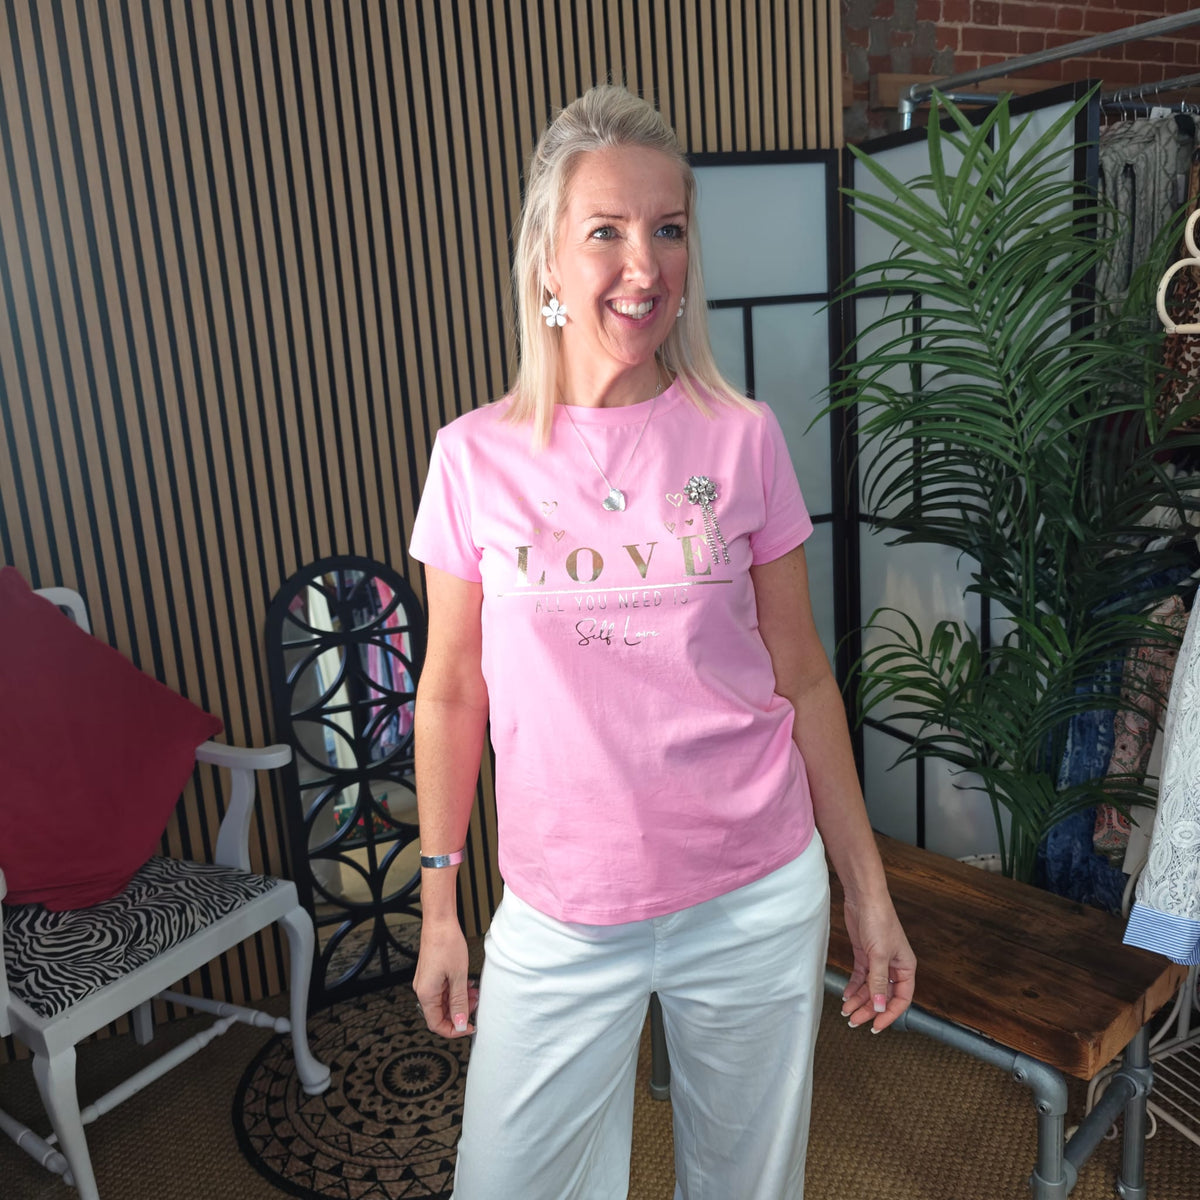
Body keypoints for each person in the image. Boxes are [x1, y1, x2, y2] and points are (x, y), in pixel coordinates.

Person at [408, 83, 915, 1200]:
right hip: (562, 911)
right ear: (547, 260)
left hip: (752, 893)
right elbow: (450, 692)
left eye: (669, 230)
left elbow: (803, 677)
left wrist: (867, 891)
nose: (645, 266)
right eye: (606, 231)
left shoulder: (741, 437)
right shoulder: (472, 459)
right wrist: (440, 905)